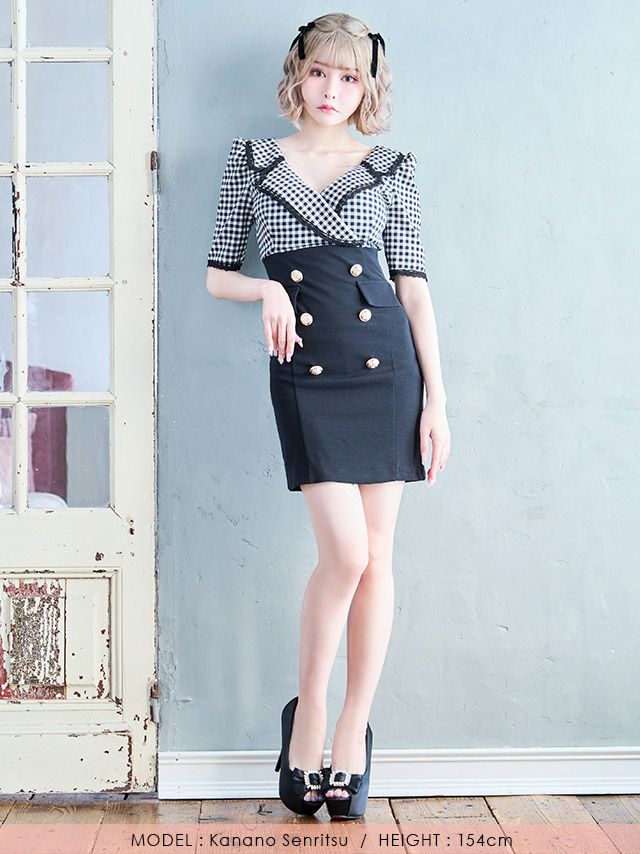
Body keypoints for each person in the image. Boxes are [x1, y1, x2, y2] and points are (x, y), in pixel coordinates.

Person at [205, 12, 450, 820]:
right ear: (298, 72)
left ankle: (352, 731)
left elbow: (413, 287)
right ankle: (307, 715)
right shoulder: (251, 160)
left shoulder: (391, 168)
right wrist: (267, 288)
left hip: (388, 373)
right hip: (307, 374)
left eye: (350, 78)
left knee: (377, 559)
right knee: (344, 554)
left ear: (367, 87)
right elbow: (216, 273)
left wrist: (437, 401)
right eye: (320, 72)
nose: (332, 90)